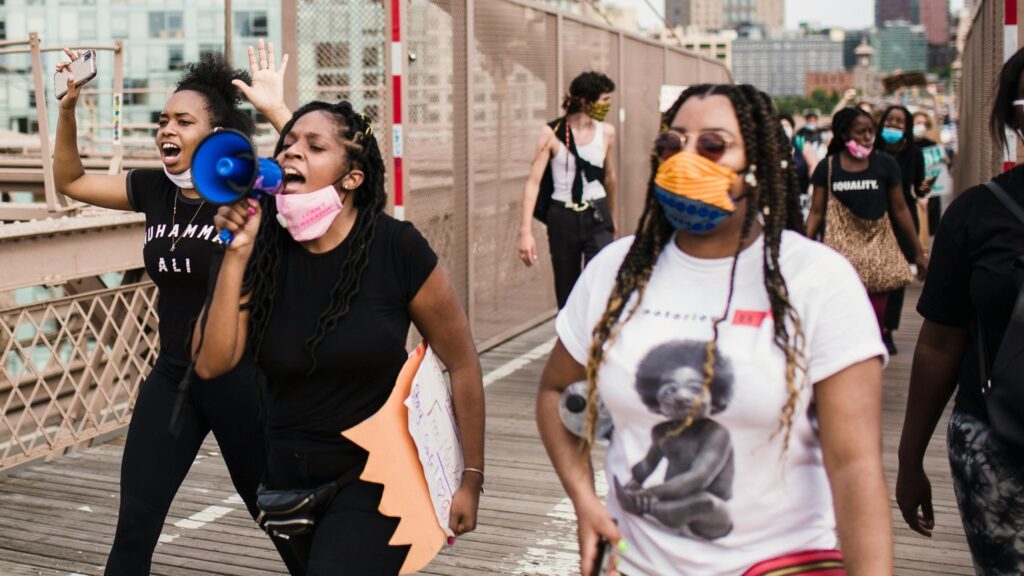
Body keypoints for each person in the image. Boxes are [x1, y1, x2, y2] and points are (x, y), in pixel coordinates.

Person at [536, 84, 892, 576]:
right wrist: (585, 501)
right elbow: (556, 390)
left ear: (762, 165)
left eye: (713, 145)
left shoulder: (818, 281)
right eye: (673, 144)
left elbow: (856, 468)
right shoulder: (614, 271)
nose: (686, 159)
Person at [193, 99, 485, 575]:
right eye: (286, 144)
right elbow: (210, 364)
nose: (291, 153)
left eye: (313, 146)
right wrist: (235, 256)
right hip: (287, 482)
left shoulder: (397, 248)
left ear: (352, 178)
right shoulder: (260, 246)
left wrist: (471, 476)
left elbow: (463, 361)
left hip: (380, 476)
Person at [52, 43, 296, 575]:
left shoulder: (249, 185)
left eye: (183, 121)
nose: (166, 130)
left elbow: (319, 175)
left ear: (215, 133)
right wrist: (67, 109)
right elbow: (70, 182)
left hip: (243, 382)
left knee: (280, 521)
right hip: (173, 378)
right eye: (163, 120)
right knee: (135, 524)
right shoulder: (155, 190)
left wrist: (278, 111)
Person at [897, 46, 1024, 576]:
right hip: (999, 438)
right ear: (1013, 115)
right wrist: (909, 460)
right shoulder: (976, 212)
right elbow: (939, 342)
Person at [806, 107, 928, 330]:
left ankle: (882, 339)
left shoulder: (885, 165)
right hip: (841, 255)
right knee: (844, 317)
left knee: (875, 320)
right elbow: (816, 211)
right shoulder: (828, 167)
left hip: (878, 252)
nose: (867, 137)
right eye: (860, 132)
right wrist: (804, 246)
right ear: (844, 135)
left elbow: (900, 208)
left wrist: (918, 252)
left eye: (870, 131)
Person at [519, 71, 618, 308]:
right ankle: (570, 339)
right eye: (604, 100)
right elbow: (533, 181)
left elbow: (610, 176)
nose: (607, 105)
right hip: (563, 216)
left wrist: (611, 218)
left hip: (597, 214)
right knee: (567, 288)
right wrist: (525, 231)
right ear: (584, 101)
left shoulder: (607, 132)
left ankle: (596, 340)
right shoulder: (551, 133)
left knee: (600, 282)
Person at [875, 105, 931, 354]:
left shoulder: (914, 154)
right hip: (875, 217)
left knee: (896, 277)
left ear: (906, 127)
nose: (894, 126)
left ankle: (888, 330)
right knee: (875, 275)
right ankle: (873, 326)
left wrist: (923, 189)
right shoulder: (871, 150)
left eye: (899, 122)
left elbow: (918, 188)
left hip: (903, 217)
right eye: (890, 121)